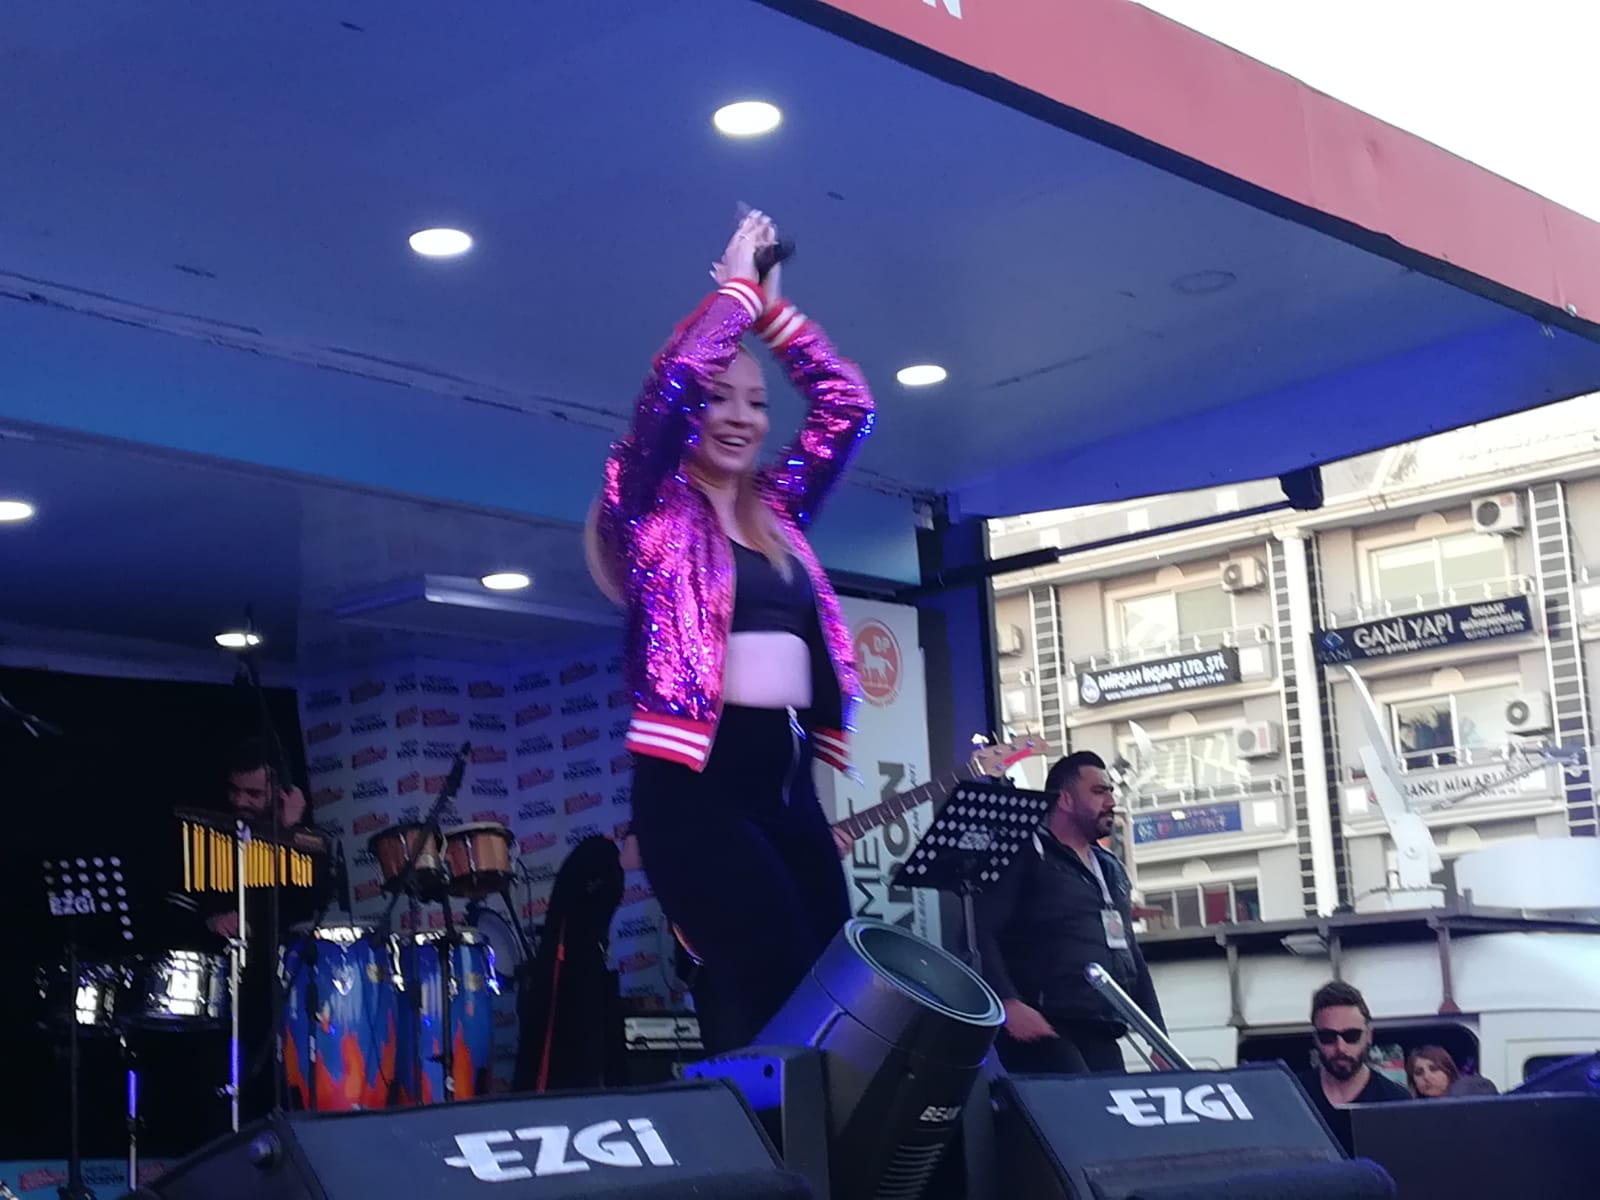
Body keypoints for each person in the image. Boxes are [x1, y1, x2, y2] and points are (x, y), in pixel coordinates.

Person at [585, 208, 873, 1055]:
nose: (742, 417)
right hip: (694, 787)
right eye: (720, 399)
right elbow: (675, 377)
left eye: (756, 402)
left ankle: (812, 1130)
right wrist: (736, 295)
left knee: (833, 980)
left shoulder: (778, 510)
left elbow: (848, 405)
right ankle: (758, 1127)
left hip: (783, 779)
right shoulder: (648, 506)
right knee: (771, 975)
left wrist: (777, 319)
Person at [974, 751, 1164, 1074]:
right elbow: (980, 929)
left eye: (1110, 792)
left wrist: (1156, 1034)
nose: (1111, 801)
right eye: (1099, 791)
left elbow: (1130, 950)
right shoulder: (1026, 853)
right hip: (1045, 1026)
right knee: (1079, 1102)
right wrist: (1008, 1001)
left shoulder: (1111, 868)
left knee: (1110, 1105)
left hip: (1103, 1026)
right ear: (1065, 799)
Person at [1297, 981, 1410, 1126]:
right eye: (1328, 1037)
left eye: (1351, 1035)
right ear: (1315, 1038)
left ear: (1368, 1035)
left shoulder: (1396, 1102)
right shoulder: (1294, 1096)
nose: (1340, 1048)